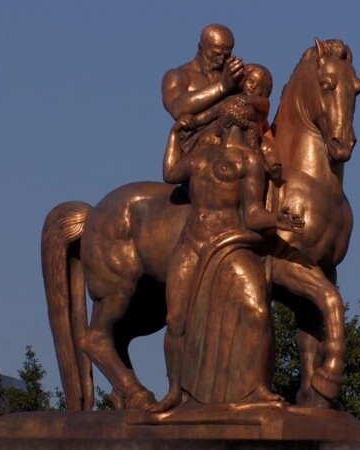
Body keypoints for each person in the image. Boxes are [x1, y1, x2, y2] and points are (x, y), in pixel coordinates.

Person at [148, 104, 304, 413]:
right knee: (175, 319)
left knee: (257, 310)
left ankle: (256, 387)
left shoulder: (250, 162)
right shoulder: (201, 157)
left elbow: (254, 214)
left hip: (229, 244)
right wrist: (174, 135)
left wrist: (278, 220)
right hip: (192, 244)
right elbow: (169, 174)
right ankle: (175, 391)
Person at [188, 64, 282, 181]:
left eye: (258, 86)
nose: (252, 86)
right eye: (250, 81)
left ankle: (272, 168)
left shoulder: (262, 103)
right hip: (229, 136)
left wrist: (246, 99)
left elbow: (262, 103)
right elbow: (211, 113)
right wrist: (195, 121)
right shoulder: (229, 101)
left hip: (254, 139)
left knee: (266, 146)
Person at [161, 24, 244, 121]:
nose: (221, 61)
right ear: (201, 48)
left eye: (226, 56)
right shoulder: (177, 76)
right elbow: (177, 108)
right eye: (216, 54)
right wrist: (221, 87)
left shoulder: (233, 79)